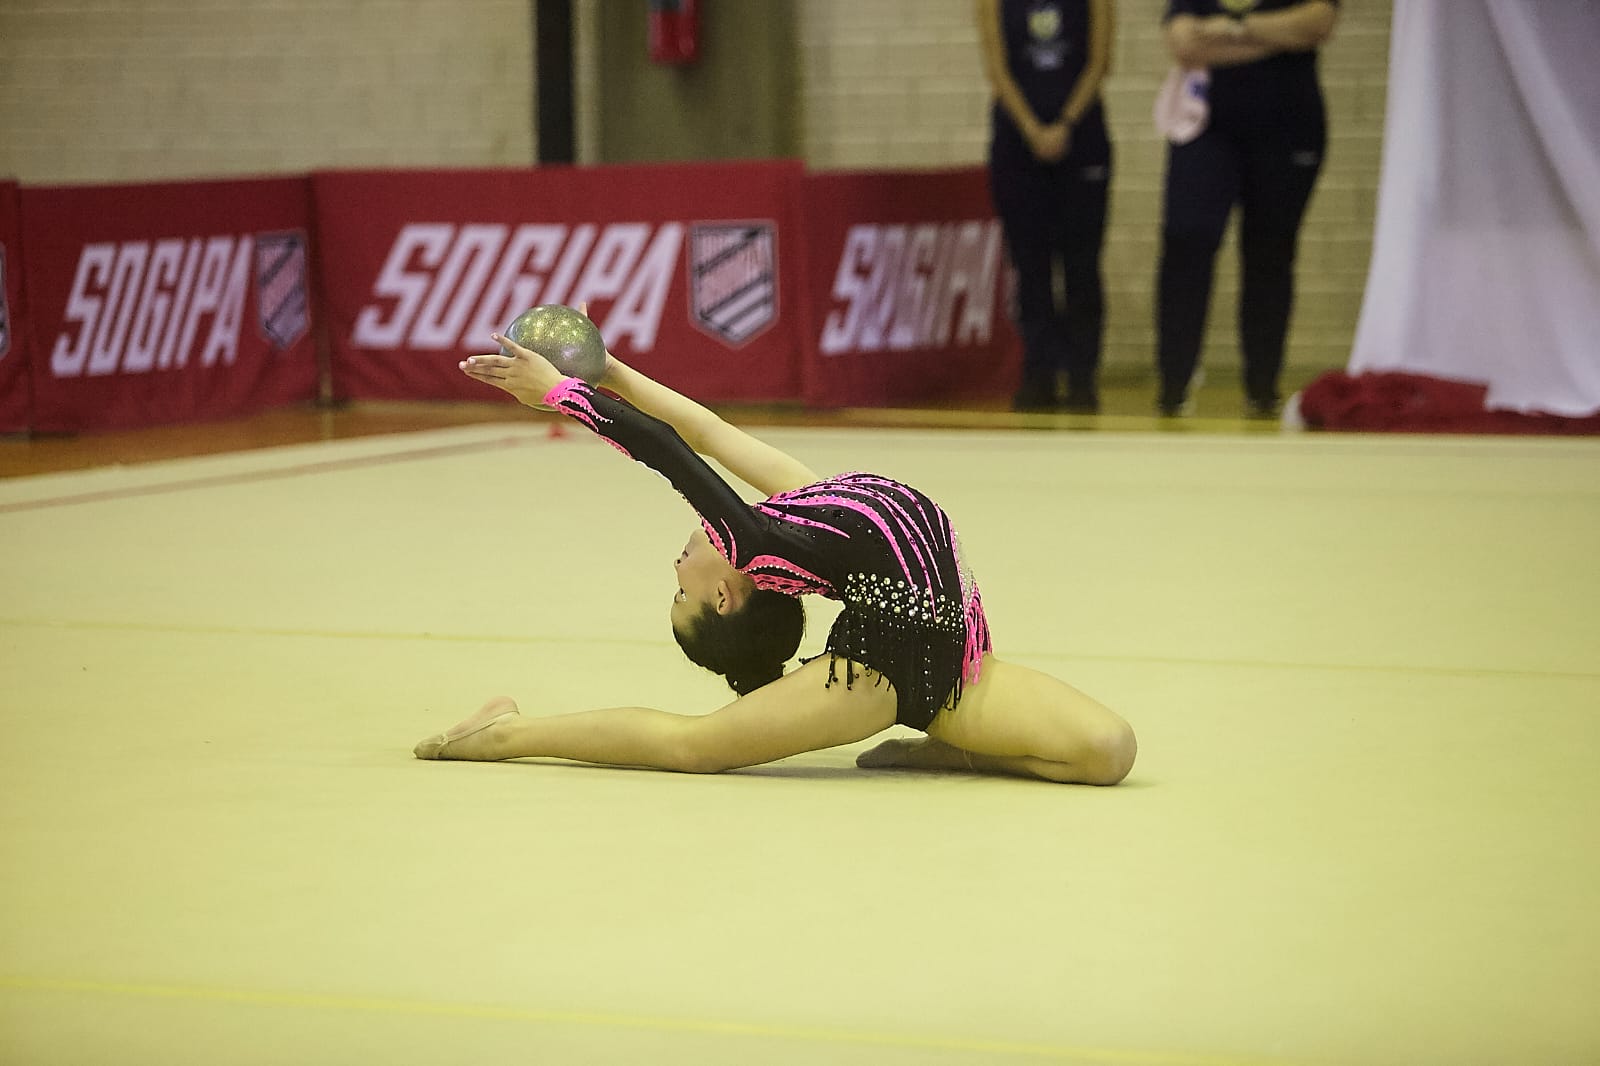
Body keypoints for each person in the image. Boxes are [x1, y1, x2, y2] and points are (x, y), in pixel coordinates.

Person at [412, 322, 1137, 785]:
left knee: (1109, 748)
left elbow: (699, 429)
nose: (675, 569)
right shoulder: (760, 546)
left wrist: (606, 373)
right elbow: (664, 453)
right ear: (728, 594)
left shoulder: (794, 506)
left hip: (961, 668)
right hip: (878, 674)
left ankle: (953, 746)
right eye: (681, 592)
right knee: (696, 747)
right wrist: (566, 397)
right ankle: (502, 735)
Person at [1155, 0, 1340, 417]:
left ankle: (1262, 385)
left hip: (1288, 128)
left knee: (1269, 253)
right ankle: (1173, 382)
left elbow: (1318, 24)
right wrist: (1275, 37)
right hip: (1208, 129)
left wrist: (1229, 30)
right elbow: (1185, 43)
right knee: (1187, 240)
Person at [978, 0, 1115, 413]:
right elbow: (997, 69)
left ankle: (1081, 376)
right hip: (1018, 141)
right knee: (1030, 265)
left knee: (1081, 265)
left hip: (1082, 137)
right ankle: (1038, 372)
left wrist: (1066, 123)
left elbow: (1099, 62)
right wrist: (1032, 128)